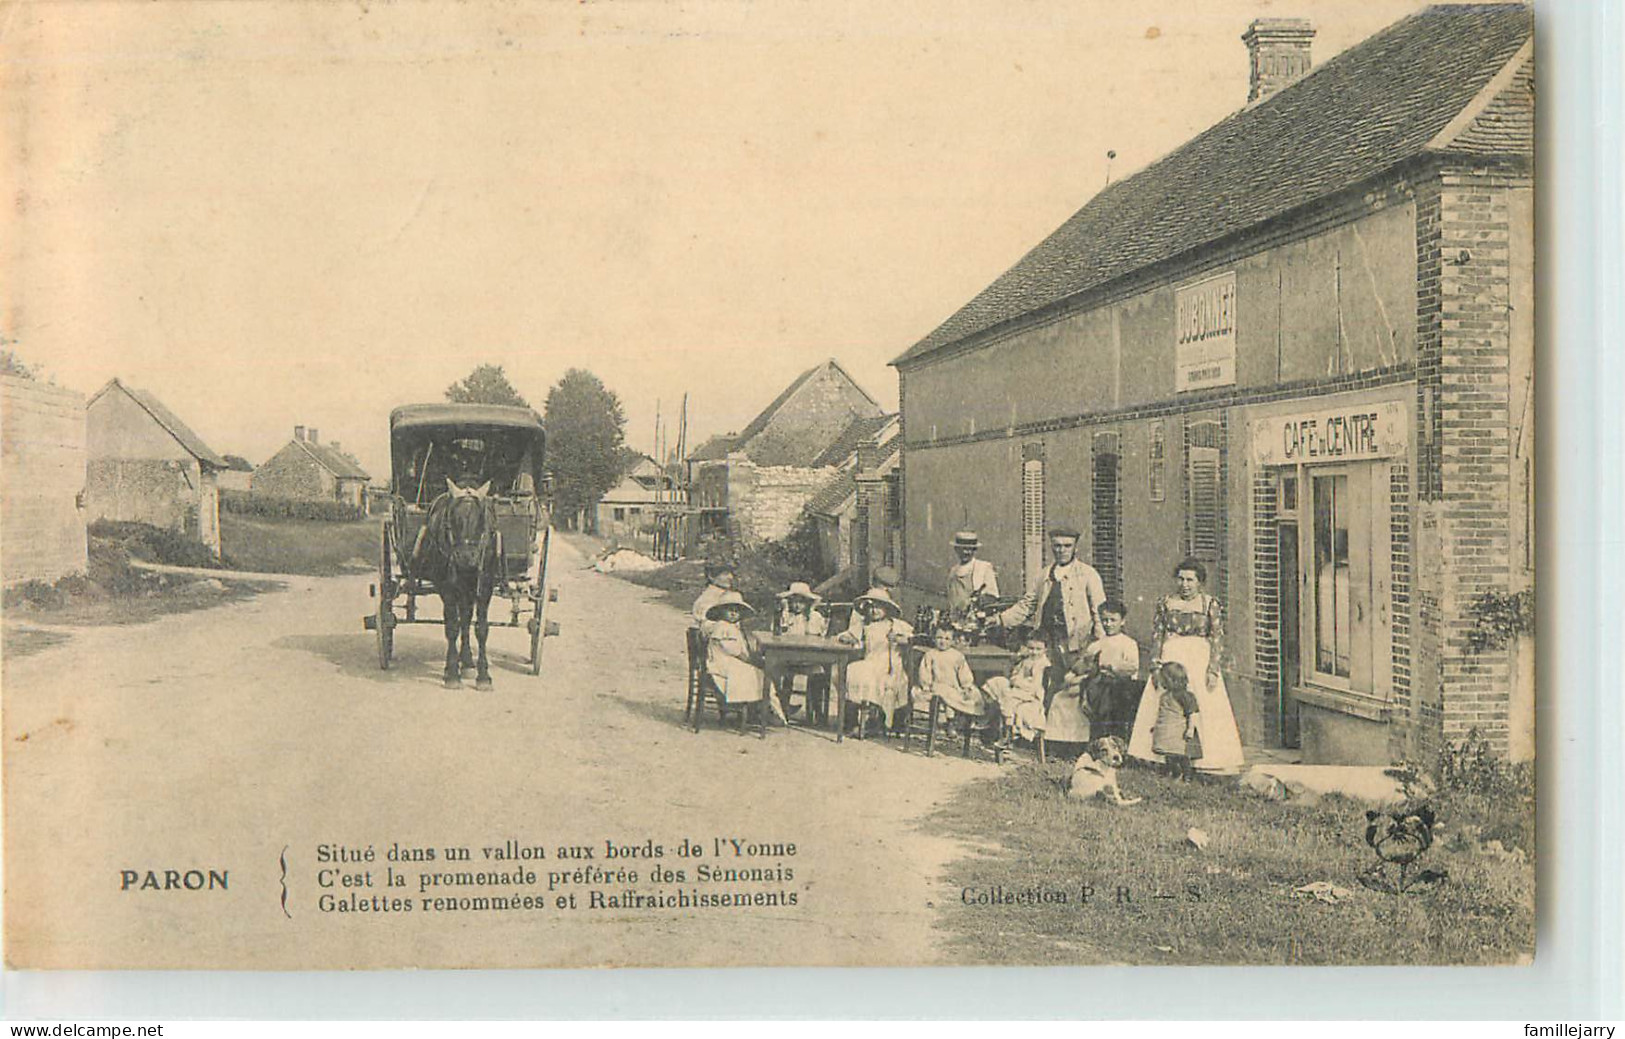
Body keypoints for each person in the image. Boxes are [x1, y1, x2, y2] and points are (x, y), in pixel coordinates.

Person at [1128, 559, 1245, 774]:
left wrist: (1212, 669)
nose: (1185, 584)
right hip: (1171, 657)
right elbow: (1158, 635)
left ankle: (1206, 759)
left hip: (1199, 659)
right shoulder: (1165, 602)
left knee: (1202, 703)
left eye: (1190, 580)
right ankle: (1158, 755)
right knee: (1164, 702)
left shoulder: (1210, 604)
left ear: (1200, 582)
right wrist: (1154, 665)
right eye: (1181, 579)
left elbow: (1217, 638)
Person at [997, 526, 1108, 703]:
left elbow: (1099, 611)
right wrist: (1000, 619)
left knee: (1073, 688)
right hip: (1047, 642)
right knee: (1045, 684)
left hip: (1075, 643)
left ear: (1075, 548)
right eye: (1057, 546)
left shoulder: (1088, 574)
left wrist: (1100, 644)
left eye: (1067, 546)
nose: (1061, 550)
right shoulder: (1044, 575)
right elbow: (1028, 604)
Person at [704, 592, 786, 726]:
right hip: (723, 664)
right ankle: (760, 709)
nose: (733, 614)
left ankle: (764, 708)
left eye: (737, 611)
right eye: (729, 610)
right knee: (757, 673)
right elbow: (733, 650)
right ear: (721, 611)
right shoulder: (722, 627)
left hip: (727, 661)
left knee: (758, 671)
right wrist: (750, 660)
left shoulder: (730, 627)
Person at [837, 587, 913, 732]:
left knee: (888, 680)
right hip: (871, 662)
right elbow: (847, 635)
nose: (874, 611)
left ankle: (877, 717)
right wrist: (847, 638)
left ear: (887, 609)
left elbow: (912, 637)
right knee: (855, 670)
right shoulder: (865, 626)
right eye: (870, 607)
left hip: (891, 665)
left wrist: (900, 639)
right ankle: (852, 718)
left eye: (878, 607)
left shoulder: (895, 625)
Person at [1068, 599, 1141, 743]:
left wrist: (1112, 667)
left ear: (1122, 621)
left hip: (1121, 685)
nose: (1108, 624)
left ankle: (1113, 740)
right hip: (1097, 683)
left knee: (1109, 695)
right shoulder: (1096, 644)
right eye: (1105, 620)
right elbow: (1084, 664)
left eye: (1113, 620)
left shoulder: (1128, 643)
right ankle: (1088, 740)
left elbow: (1132, 667)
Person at [915, 622, 991, 731]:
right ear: (934, 639)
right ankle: (951, 722)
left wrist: (966, 685)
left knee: (974, 693)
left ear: (953, 641)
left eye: (947, 639)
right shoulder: (930, 654)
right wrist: (926, 685)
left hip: (955, 687)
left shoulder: (957, 656)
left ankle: (972, 718)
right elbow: (924, 672)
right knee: (946, 694)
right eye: (939, 638)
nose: (942, 641)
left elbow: (963, 672)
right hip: (937, 686)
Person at [983, 633, 1049, 747]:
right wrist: (1016, 678)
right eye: (1031, 648)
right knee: (998, 681)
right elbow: (1014, 675)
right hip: (1019, 689)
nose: (1034, 652)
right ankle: (989, 717)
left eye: (1038, 649)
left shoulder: (1043, 664)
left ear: (1045, 650)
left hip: (1032, 694)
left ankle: (1008, 732)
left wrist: (1018, 682)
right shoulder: (1026, 661)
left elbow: (1036, 685)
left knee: (1008, 698)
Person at [775, 581, 829, 721]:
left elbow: (814, 634)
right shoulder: (786, 615)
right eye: (794, 602)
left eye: (802, 602)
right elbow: (780, 632)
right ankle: (782, 707)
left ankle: (817, 710)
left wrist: (811, 613)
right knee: (781, 673)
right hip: (788, 658)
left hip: (809, 659)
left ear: (808, 603)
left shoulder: (814, 617)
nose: (797, 605)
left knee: (819, 673)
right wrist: (785, 611)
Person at [1148, 661, 1201, 781]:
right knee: (1168, 754)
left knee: (1181, 755)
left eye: (1163, 680)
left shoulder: (1185, 696)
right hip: (1168, 731)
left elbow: (1191, 713)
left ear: (1171, 680)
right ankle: (1173, 772)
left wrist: (1190, 729)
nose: (1161, 682)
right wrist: (1157, 725)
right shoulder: (1165, 696)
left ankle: (1187, 776)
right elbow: (1164, 713)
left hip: (1179, 732)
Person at [945, 531, 999, 625]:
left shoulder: (983, 568)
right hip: (956, 622)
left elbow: (993, 597)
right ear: (956, 549)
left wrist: (978, 601)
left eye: (971, 549)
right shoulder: (952, 572)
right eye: (963, 549)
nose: (967, 552)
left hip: (977, 621)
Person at [843, 564, 902, 638]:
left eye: (891, 587)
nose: (887, 590)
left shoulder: (893, 622)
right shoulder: (863, 607)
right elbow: (852, 632)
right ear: (873, 584)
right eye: (884, 585)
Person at [691, 560, 736, 633]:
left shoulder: (731, 595)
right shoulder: (707, 598)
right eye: (725, 574)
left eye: (731, 573)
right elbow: (705, 626)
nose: (730, 577)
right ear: (711, 576)